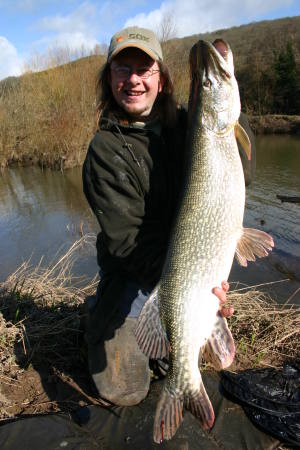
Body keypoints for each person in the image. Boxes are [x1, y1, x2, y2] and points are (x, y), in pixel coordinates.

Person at [82, 26, 256, 406]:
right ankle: (98, 315)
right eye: (122, 69)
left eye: (144, 70)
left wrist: (205, 284)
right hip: (133, 274)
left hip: (186, 267)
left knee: (180, 353)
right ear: (109, 79)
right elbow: (128, 245)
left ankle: (176, 344)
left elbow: (243, 180)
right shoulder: (105, 151)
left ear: (161, 79)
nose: (134, 80)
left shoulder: (188, 127)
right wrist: (187, 290)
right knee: (126, 391)